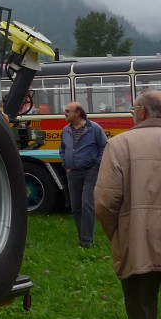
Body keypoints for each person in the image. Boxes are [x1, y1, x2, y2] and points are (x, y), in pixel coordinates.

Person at [94, 91, 161, 319]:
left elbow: (106, 201)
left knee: (142, 313)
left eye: (134, 109)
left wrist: (117, 235)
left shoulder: (119, 144)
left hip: (139, 243)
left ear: (144, 113)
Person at [60, 102, 108, 248]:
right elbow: (62, 149)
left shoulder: (94, 129)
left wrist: (96, 166)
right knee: (76, 207)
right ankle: (83, 239)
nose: (65, 113)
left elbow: (104, 147)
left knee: (87, 204)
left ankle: (87, 241)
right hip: (72, 172)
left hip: (90, 172)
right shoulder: (66, 130)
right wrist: (65, 164)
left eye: (68, 111)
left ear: (78, 113)